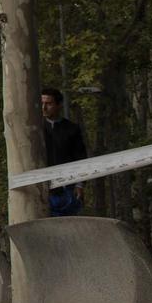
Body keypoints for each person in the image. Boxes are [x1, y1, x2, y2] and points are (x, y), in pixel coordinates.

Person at [41, 87, 90, 217]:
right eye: (42, 103)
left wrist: (80, 184)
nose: (44, 107)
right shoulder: (35, 128)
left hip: (67, 188)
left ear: (59, 105)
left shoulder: (72, 129)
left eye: (49, 103)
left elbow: (80, 157)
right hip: (42, 188)